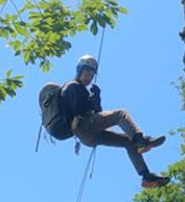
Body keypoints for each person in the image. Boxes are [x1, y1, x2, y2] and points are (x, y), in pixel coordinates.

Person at [62, 55, 170, 188]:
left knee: (127, 142)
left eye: (92, 74)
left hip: (88, 135)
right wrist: (91, 100)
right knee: (120, 114)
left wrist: (96, 98)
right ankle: (140, 140)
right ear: (79, 70)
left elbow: (96, 113)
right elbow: (78, 110)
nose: (89, 76)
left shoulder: (82, 90)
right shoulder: (72, 86)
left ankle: (146, 177)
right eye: (87, 72)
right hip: (84, 125)